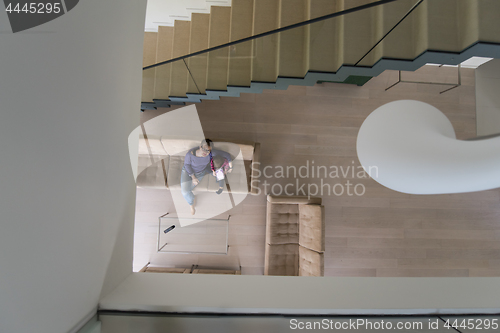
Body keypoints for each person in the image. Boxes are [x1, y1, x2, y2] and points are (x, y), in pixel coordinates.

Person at [180, 139, 232, 215]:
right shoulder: (190, 154)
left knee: (186, 191)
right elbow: (187, 165)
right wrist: (193, 177)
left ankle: (191, 200)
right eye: (204, 149)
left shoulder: (211, 153)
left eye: (208, 151)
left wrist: (230, 167)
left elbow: (227, 155)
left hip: (200, 172)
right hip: (188, 171)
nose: (205, 152)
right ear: (200, 147)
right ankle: (191, 205)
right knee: (185, 192)